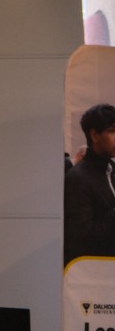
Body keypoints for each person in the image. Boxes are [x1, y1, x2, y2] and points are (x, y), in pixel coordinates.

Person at [64, 103, 115, 265]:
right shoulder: (78, 178)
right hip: (94, 274)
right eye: (112, 131)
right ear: (94, 135)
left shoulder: (110, 168)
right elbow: (84, 238)